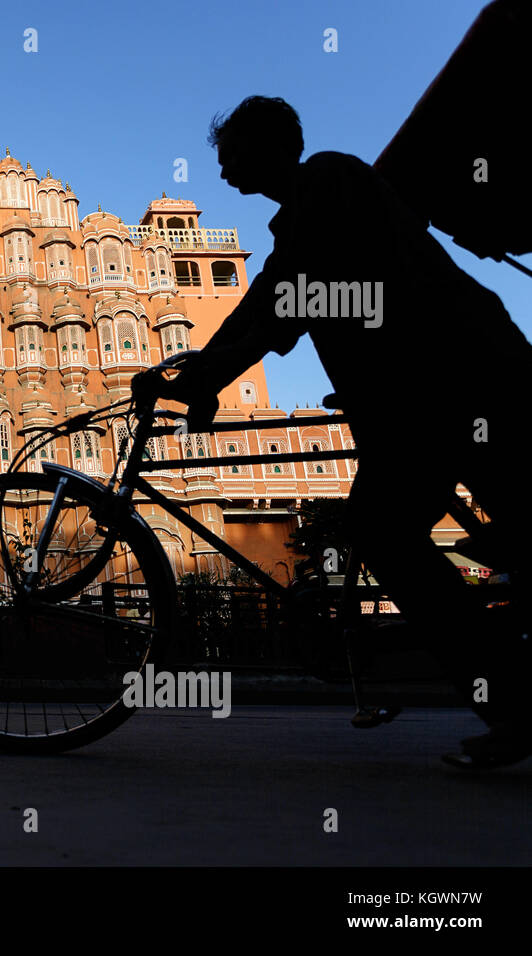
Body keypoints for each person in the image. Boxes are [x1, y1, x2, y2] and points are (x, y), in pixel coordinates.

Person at [133, 96, 532, 768]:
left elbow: (280, 299)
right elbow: (276, 299)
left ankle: (515, 705)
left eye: (231, 156)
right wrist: (211, 373)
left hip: (454, 379)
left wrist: (209, 373)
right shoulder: (309, 210)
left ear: (264, 147)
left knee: (386, 532)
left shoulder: (330, 182)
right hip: (432, 389)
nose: (225, 172)